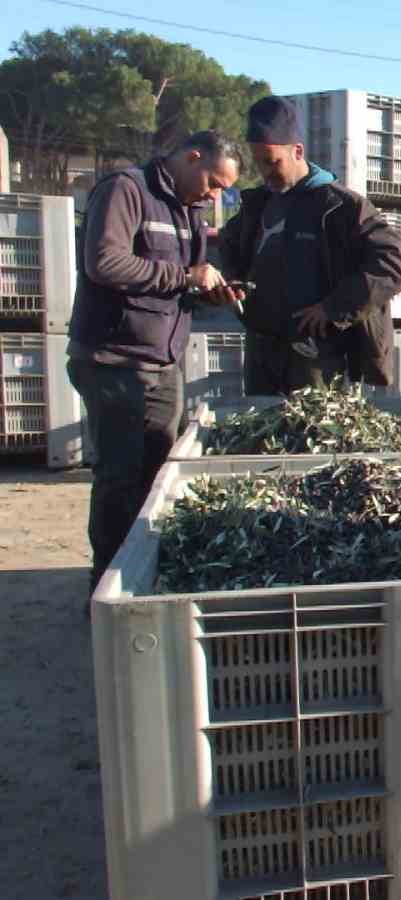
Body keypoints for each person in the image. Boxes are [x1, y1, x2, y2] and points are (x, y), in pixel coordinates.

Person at [67, 131, 242, 593]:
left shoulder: (191, 209)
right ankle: (106, 587)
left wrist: (208, 291)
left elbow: (177, 287)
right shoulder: (126, 190)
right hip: (113, 361)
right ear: (192, 156)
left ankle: (144, 578)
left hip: (162, 362)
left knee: (160, 475)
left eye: (222, 188)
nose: (215, 193)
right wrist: (185, 275)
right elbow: (105, 263)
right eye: (214, 182)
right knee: (119, 479)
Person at [216, 95, 401, 394]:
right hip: (262, 358)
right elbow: (230, 245)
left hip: (318, 362)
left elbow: (395, 265)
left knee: (313, 434)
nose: (265, 172)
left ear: (297, 151)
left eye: (272, 162)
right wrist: (233, 282)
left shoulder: (343, 207)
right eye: (258, 163)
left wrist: (334, 308)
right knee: (260, 436)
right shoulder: (257, 205)